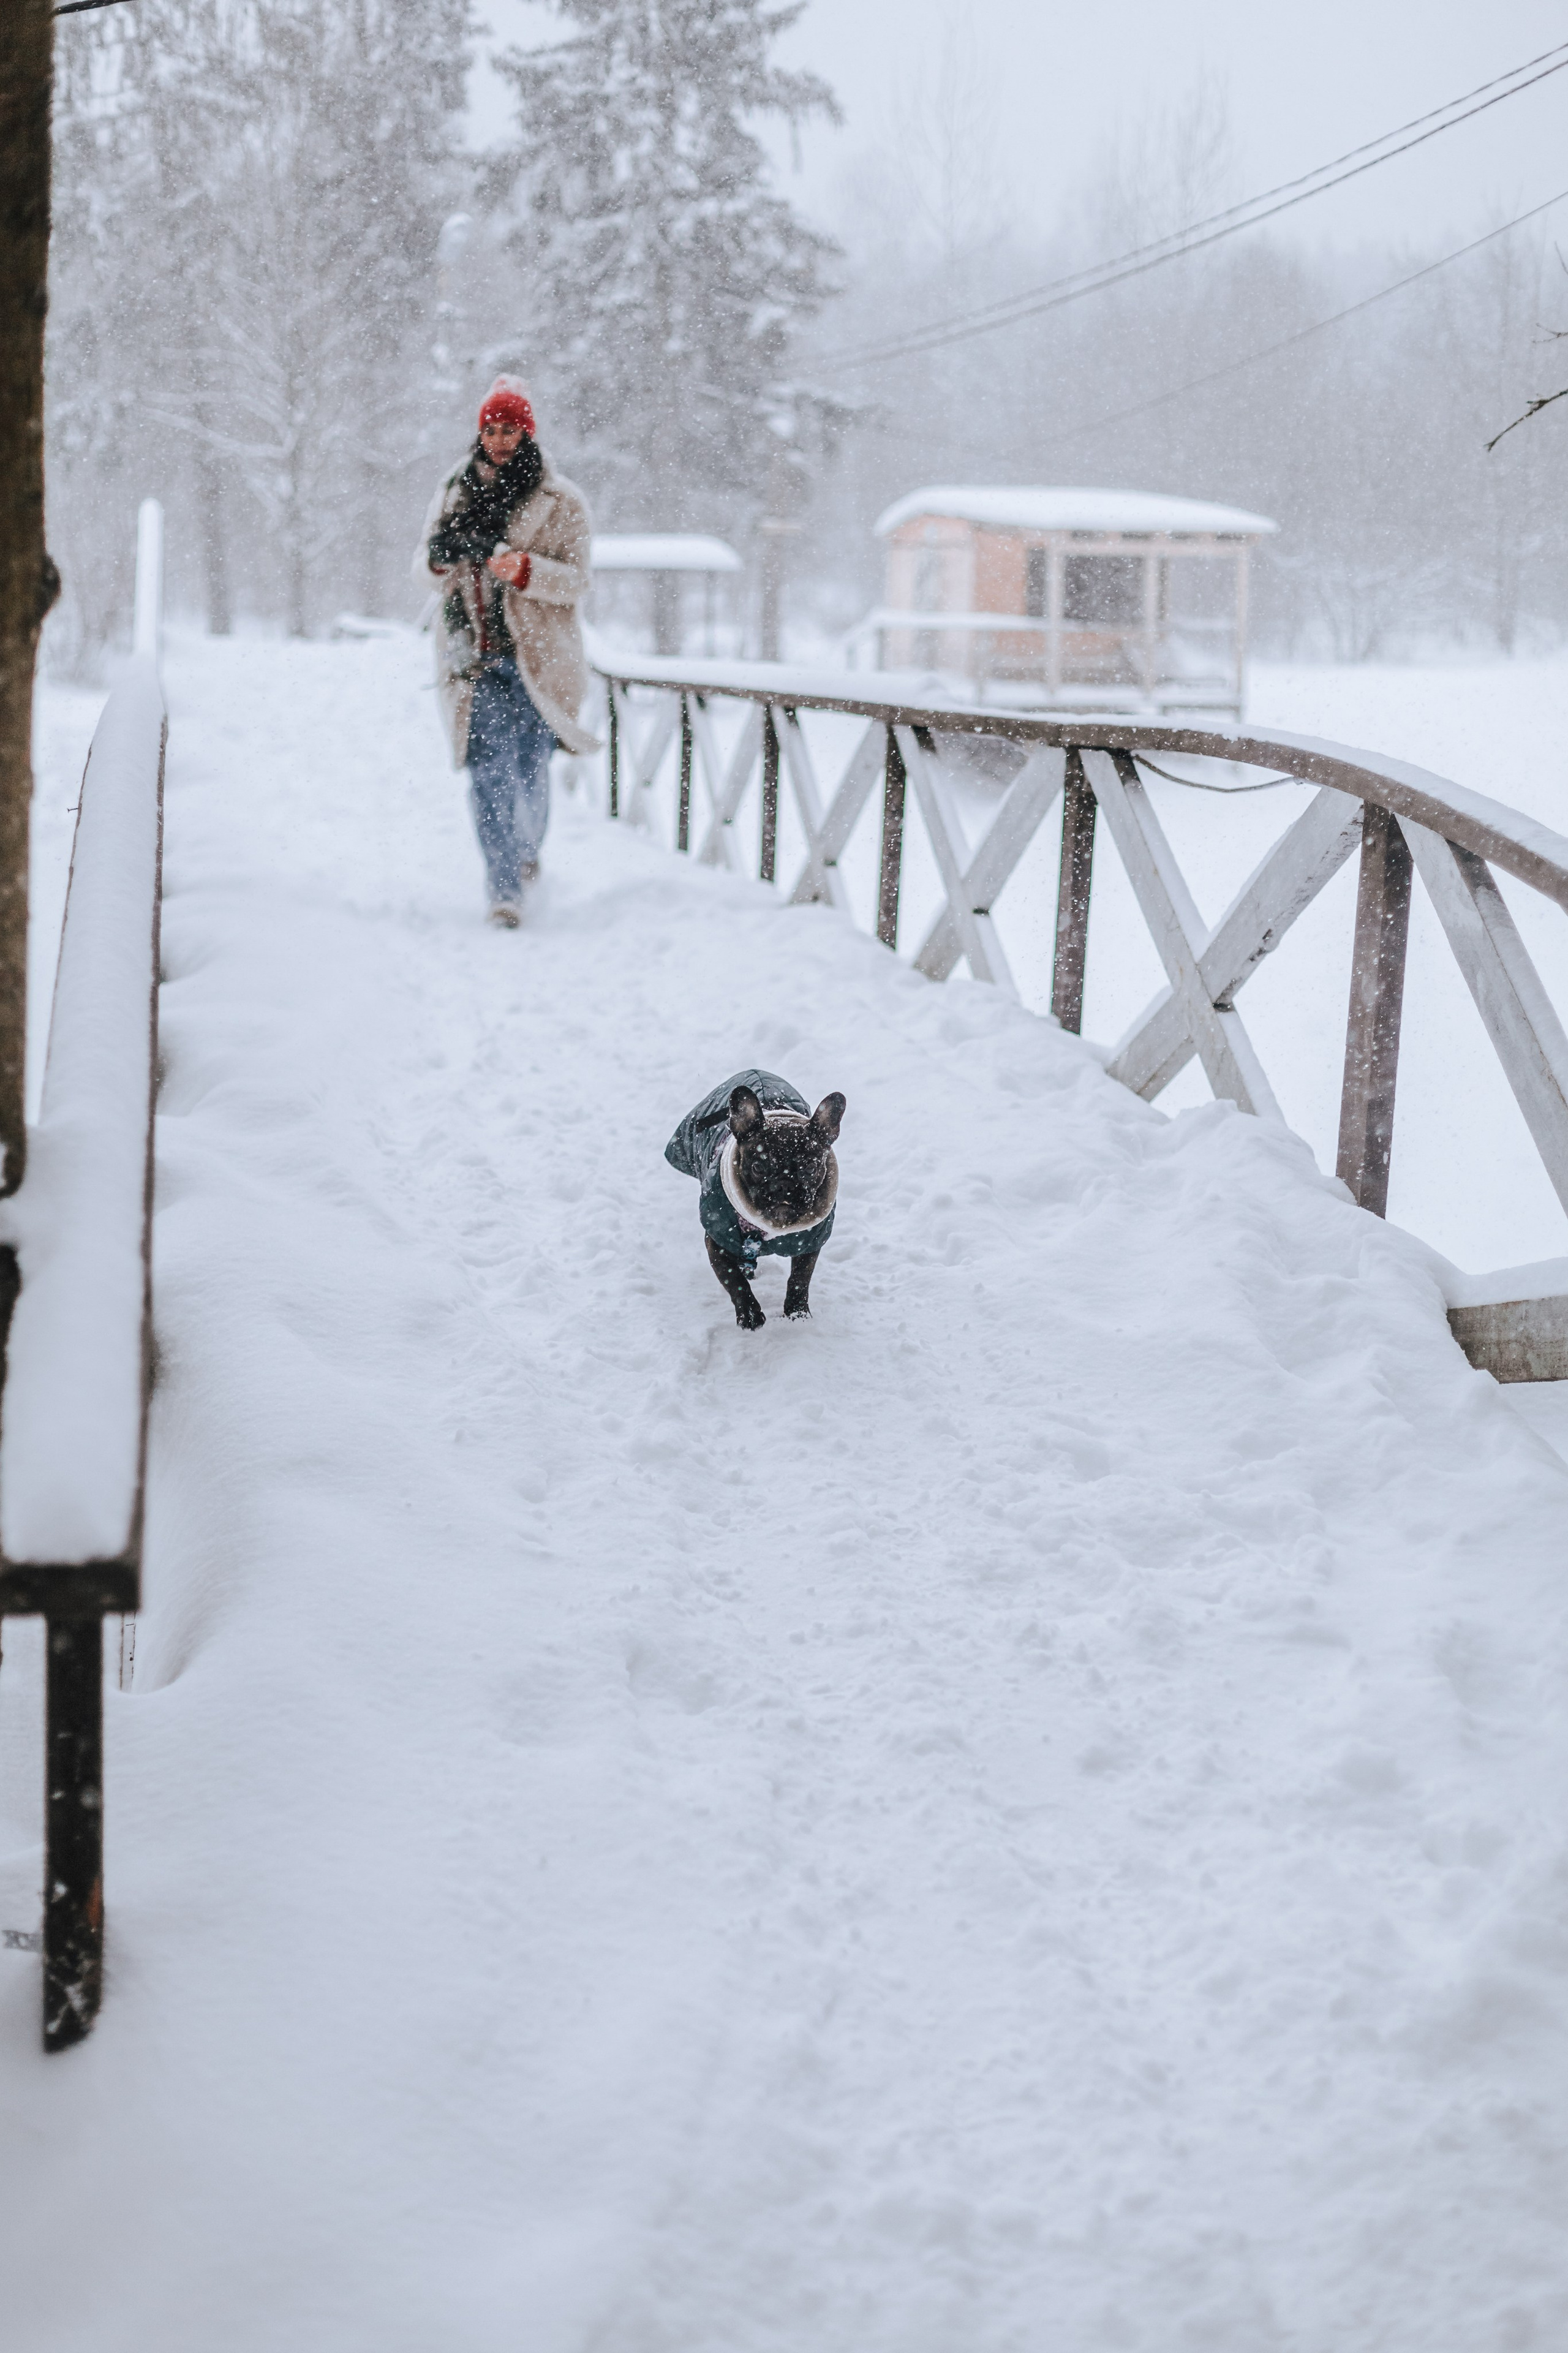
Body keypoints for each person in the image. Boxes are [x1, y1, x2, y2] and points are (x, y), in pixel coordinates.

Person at [416, 377, 600, 925]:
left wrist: (526, 571)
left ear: (528, 433)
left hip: (539, 660)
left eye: (510, 430)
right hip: (474, 656)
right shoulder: (455, 490)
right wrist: (444, 558)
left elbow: (578, 580)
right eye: (491, 429)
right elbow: (423, 567)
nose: (498, 440)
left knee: (530, 772)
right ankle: (504, 890)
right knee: (487, 773)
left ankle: (525, 852)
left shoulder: (563, 501)